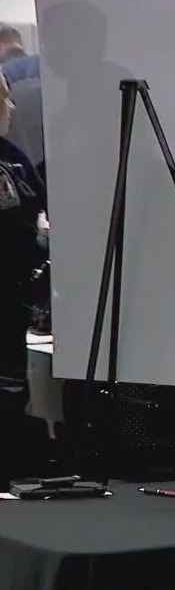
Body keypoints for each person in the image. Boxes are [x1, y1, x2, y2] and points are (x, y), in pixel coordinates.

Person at [0, 68, 47, 486]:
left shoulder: (14, 157)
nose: (12, 107)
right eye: (5, 98)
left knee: (12, 395)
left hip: (14, 301)